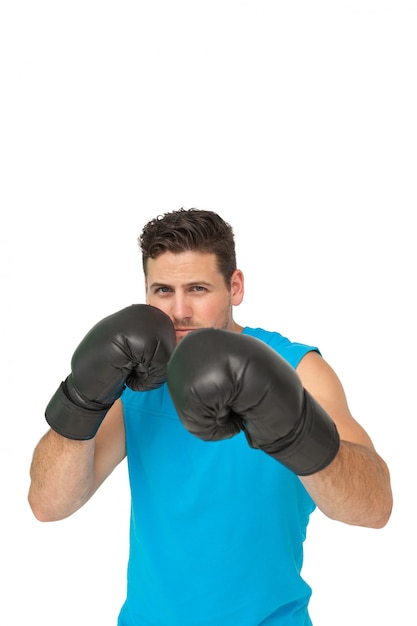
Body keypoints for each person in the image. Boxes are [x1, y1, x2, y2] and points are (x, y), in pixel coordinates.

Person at [28, 207, 393, 626]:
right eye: (163, 290)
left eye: (198, 288)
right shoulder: (133, 378)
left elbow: (375, 508)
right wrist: (82, 395)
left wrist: (293, 428)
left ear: (235, 287)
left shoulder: (297, 368)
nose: (179, 310)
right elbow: (48, 504)